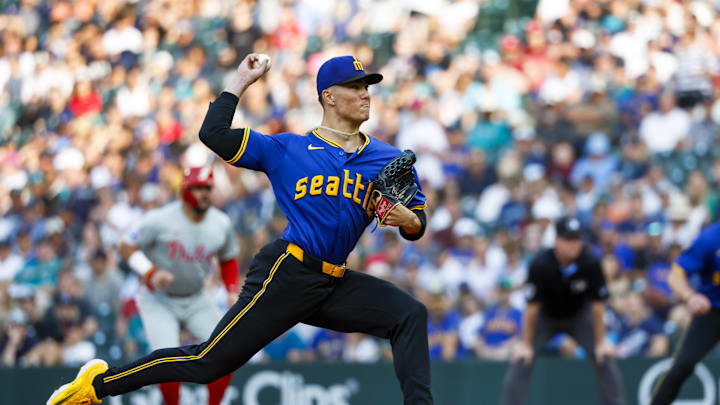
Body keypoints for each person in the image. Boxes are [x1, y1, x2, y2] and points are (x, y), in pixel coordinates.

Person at [48, 53, 432, 405]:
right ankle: (97, 386)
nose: (365, 94)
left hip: (334, 282)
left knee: (408, 314)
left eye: (367, 86)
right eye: (355, 86)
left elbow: (417, 223)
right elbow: (213, 135)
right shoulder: (288, 149)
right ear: (329, 96)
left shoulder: (388, 158)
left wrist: (410, 221)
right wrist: (239, 81)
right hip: (288, 274)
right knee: (206, 362)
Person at [118, 166, 239, 405]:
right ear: (184, 190)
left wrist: (231, 288)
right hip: (159, 299)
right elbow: (125, 245)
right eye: (197, 188)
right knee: (166, 362)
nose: (204, 193)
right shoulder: (159, 219)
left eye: (207, 188)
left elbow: (228, 258)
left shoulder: (220, 223)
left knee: (226, 353)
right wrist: (149, 271)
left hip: (196, 298)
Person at [499, 216, 626, 405]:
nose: (574, 245)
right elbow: (532, 307)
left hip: (579, 317)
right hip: (546, 317)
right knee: (521, 358)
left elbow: (597, 305)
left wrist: (600, 341)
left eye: (576, 239)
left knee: (604, 356)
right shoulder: (541, 264)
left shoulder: (589, 262)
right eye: (568, 240)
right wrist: (525, 343)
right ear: (557, 241)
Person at [650, 222, 720, 405]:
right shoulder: (710, 238)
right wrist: (690, 297)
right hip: (711, 311)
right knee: (683, 364)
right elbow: (675, 275)